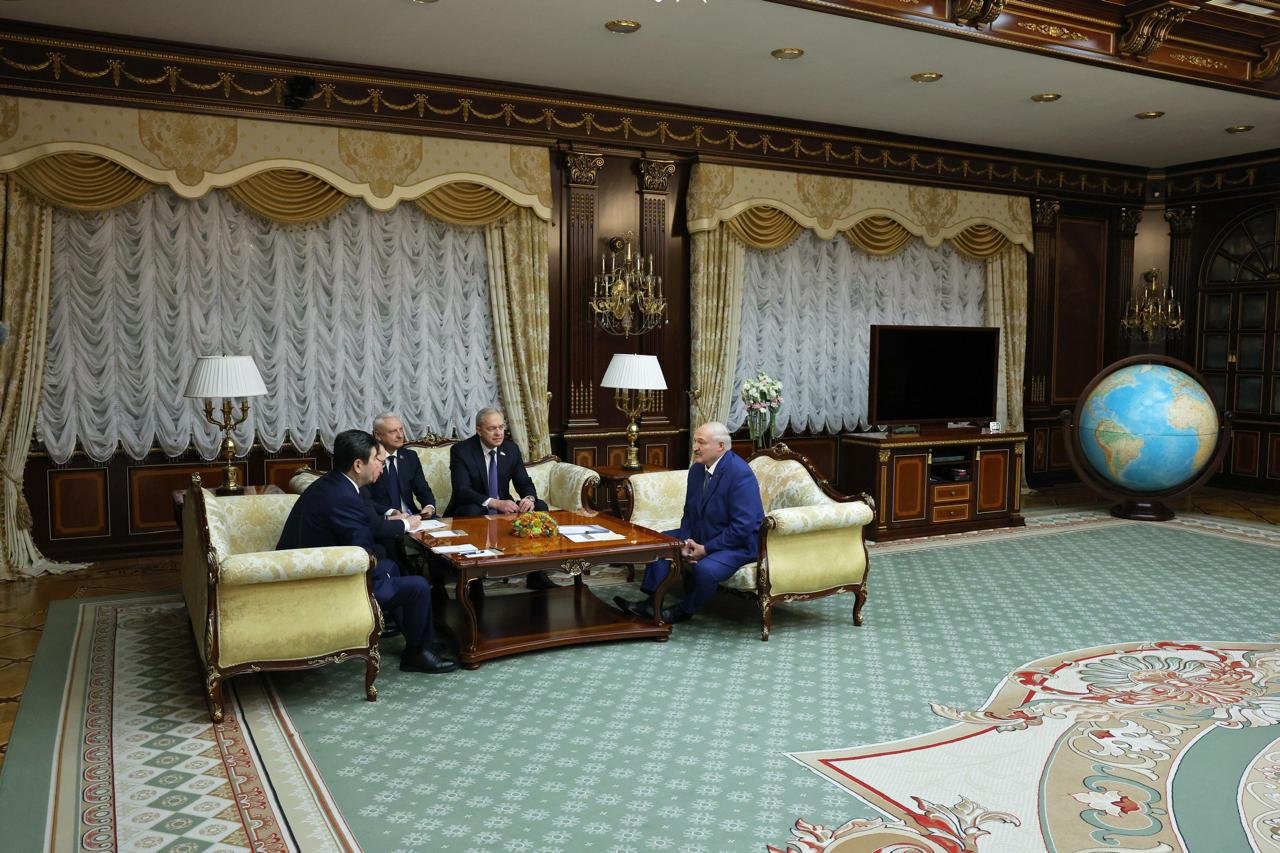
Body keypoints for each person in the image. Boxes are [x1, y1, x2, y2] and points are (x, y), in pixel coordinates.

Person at [276, 429, 458, 674]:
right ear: (358, 465)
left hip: (322, 565)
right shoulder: (342, 496)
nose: (381, 465)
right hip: (319, 581)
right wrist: (385, 560)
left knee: (392, 566)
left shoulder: (341, 483)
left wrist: (392, 527)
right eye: (377, 459)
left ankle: (420, 640)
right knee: (418, 586)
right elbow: (362, 550)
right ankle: (417, 654)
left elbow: (367, 522)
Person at [615, 421, 764, 624]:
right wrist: (684, 541)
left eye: (701, 442)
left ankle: (683, 611)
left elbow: (744, 526)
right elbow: (689, 512)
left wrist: (706, 549)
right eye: (695, 441)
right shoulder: (697, 470)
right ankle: (652, 603)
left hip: (737, 544)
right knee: (662, 544)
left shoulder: (740, 474)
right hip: (703, 533)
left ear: (720, 446)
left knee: (706, 570)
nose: (695, 447)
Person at [445, 407, 555, 590]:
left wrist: (529, 499)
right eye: (492, 428)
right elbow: (462, 490)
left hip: (504, 506)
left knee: (539, 506)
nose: (498, 433)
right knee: (474, 511)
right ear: (479, 430)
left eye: (501, 427)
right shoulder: (461, 451)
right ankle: (473, 581)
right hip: (472, 506)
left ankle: (537, 573)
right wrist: (495, 503)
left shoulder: (511, 449)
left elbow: (524, 482)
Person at [368, 412, 437, 518]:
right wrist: (391, 512)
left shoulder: (410, 457)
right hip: (383, 519)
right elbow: (364, 499)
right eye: (393, 431)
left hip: (411, 517)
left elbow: (422, 489)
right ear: (377, 435)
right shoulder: (369, 459)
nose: (400, 435)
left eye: (401, 429)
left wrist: (429, 506)